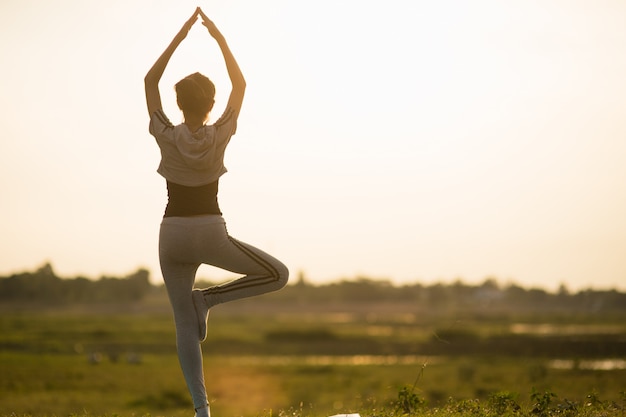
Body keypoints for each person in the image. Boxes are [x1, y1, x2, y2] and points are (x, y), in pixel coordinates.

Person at [144, 8, 289, 417]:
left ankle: (201, 410)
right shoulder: (221, 131)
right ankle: (208, 299)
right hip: (209, 230)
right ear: (210, 104)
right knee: (278, 274)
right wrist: (219, 38)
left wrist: (179, 36)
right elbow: (240, 83)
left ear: (178, 103)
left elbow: (149, 80)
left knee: (182, 325)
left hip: (171, 234)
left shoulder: (165, 133)